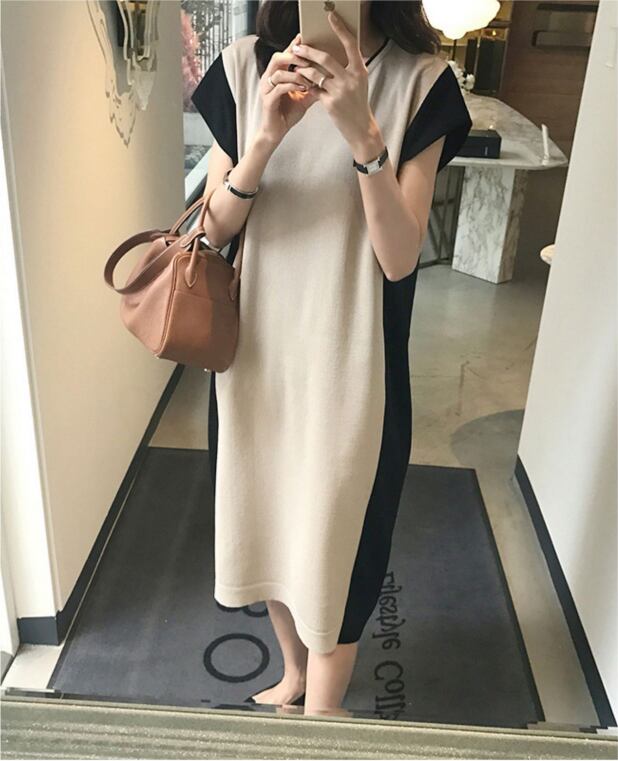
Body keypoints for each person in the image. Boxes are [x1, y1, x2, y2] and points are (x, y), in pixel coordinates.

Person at [190, 0, 472, 715]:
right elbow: (211, 232)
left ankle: (322, 719)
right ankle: (294, 671)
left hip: (354, 365)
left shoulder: (421, 83)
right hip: (254, 359)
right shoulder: (246, 67)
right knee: (267, 519)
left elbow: (400, 257)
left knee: (340, 541)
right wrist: (263, 140)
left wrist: (363, 134)